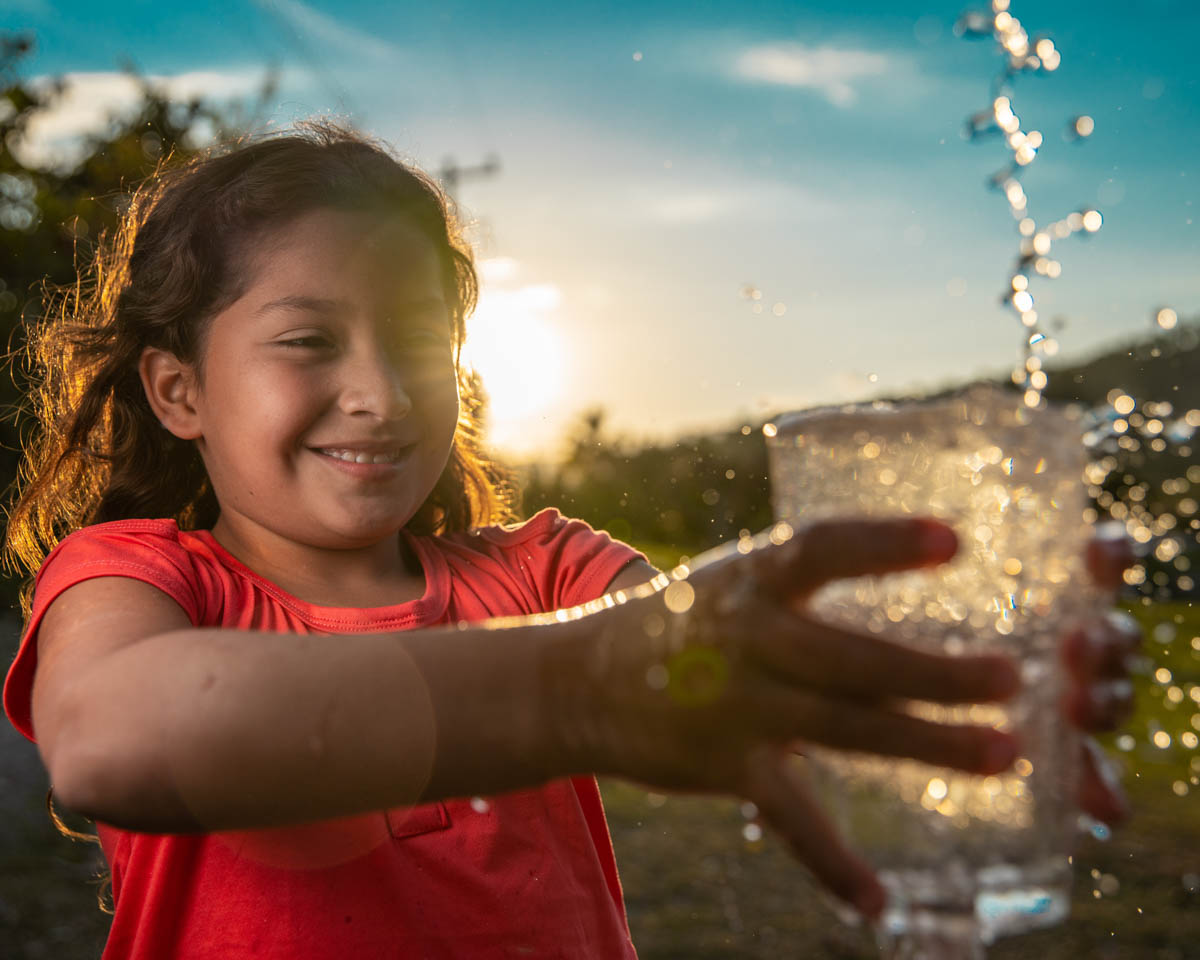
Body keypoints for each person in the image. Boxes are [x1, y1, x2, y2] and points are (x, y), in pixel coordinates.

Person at [2, 122, 1140, 960]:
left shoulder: (542, 572)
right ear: (177, 389)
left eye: (418, 342)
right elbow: (112, 741)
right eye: (308, 340)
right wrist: (585, 688)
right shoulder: (147, 576)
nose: (380, 392)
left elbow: (726, 660)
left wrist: (970, 657)